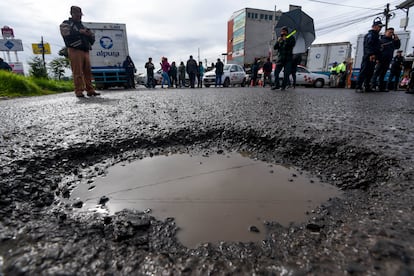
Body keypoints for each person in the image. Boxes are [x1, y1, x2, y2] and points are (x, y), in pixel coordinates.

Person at [60, 6, 100, 98]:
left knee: (88, 72)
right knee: (77, 71)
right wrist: (80, 32)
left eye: (80, 14)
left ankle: (90, 90)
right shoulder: (66, 24)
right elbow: (65, 33)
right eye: (77, 14)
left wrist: (89, 35)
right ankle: (79, 90)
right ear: (72, 14)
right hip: (74, 49)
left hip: (85, 50)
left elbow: (92, 40)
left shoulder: (83, 26)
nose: (79, 16)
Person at [355, 18, 383, 93]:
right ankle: (358, 86)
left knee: (370, 72)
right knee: (364, 71)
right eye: (378, 26)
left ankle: (367, 86)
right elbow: (368, 46)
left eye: (381, 27)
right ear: (374, 26)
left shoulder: (376, 36)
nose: (380, 28)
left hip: (373, 57)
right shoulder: (371, 35)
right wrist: (371, 54)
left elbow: (377, 48)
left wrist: (378, 57)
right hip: (368, 56)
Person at [371, 27, 400, 92]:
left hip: (388, 60)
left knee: (383, 74)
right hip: (381, 59)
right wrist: (377, 59)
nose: (391, 34)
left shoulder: (392, 41)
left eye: (392, 33)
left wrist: (397, 40)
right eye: (389, 32)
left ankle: (381, 87)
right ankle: (372, 86)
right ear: (385, 32)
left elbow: (397, 46)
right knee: (376, 73)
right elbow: (377, 50)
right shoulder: (381, 40)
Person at [271, 26, 296, 91]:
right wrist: (278, 41)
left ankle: (283, 86)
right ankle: (277, 85)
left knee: (286, 74)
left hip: (288, 59)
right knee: (276, 72)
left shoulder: (291, 38)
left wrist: (286, 40)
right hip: (280, 59)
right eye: (282, 31)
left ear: (287, 32)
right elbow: (275, 47)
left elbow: (292, 45)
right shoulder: (280, 38)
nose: (282, 32)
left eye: (284, 31)